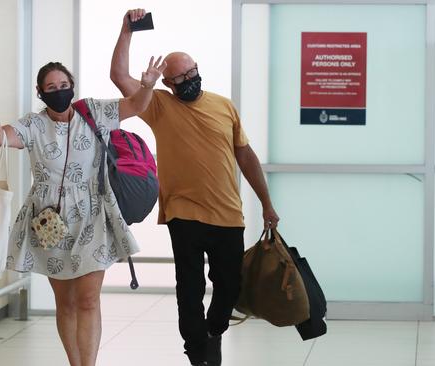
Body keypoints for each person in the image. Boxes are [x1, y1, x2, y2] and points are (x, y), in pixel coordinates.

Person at [110, 9, 280, 366]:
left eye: (193, 73)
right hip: (183, 212)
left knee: (229, 286)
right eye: (180, 78)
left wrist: (266, 202)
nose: (189, 80)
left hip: (228, 214)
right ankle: (197, 352)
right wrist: (128, 31)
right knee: (189, 288)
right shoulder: (157, 105)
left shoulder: (224, 106)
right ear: (168, 84)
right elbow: (118, 76)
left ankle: (212, 331)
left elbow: (246, 157)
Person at [0, 58, 166, 366]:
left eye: (64, 85)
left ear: (72, 86)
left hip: (93, 215)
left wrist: (148, 85)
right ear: (40, 92)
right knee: (66, 303)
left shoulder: (94, 112)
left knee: (88, 299)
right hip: (49, 220)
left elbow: (136, 106)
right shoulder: (33, 125)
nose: (59, 91)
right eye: (51, 87)